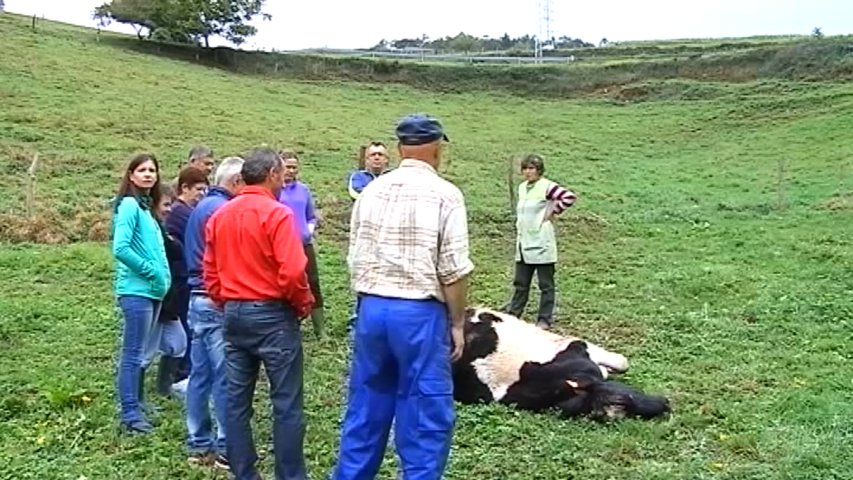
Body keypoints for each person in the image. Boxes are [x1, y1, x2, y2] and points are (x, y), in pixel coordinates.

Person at [331, 114, 474, 480]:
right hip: (419, 314)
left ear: (399, 149)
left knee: (365, 405)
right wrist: (457, 323)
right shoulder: (446, 195)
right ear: (438, 149)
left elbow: (355, 255)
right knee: (425, 412)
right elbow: (454, 270)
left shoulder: (371, 191)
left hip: (372, 308)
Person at [203, 147, 315, 480]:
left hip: (235, 314)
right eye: (282, 174)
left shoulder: (220, 215)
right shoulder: (277, 214)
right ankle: (290, 475)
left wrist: (227, 301)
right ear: (271, 175)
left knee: (236, 403)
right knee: (286, 404)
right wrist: (302, 303)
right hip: (274, 315)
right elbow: (294, 271)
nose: (285, 180)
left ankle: (244, 474)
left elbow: (210, 271)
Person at [183, 156, 246, 470]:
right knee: (225, 377)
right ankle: (225, 446)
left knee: (200, 374)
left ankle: (197, 442)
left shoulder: (201, 207)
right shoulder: (223, 210)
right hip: (214, 299)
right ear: (235, 182)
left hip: (195, 298)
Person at [111, 153, 171, 435]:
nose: (148, 174)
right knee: (132, 354)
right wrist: (151, 271)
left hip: (153, 291)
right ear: (131, 175)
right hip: (137, 291)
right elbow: (121, 248)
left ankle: (138, 403)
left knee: (143, 352)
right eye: (142, 170)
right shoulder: (129, 206)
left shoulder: (146, 208)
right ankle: (130, 414)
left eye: (152, 170)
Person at [505, 154, 577, 330]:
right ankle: (514, 314)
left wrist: (553, 211)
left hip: (541, 240)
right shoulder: (522, 188)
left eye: (532, 168)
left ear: (539, 170)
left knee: (546, 284)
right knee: (521, 283)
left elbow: (568, 197)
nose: (528, 172)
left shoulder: (546, 186)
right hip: (524, 242)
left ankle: (544, 319)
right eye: (526, 168)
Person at [165, 165, 210, 389]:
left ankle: (180, 372)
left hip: (184, 276)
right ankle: (182, 373)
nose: (202, 194)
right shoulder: (181, 213)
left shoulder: (187, 211)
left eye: (204, 190)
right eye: (199, 189)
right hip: (181, 279)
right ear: (185, 188)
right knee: (185, 326)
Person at [145, 183, 189, 399]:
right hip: (154, 298)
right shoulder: (150, 230)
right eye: (166, 204)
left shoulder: (161, 228)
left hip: (169, 300)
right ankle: (135, 400)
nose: (169, 209)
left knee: (178, 343)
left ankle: (164, 388)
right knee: (145, 351)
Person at [277, 150, 326, 340]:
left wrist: (309, 229)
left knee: (313, 282)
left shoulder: (303, 190)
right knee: (287, 284)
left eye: (293, 167)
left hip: (304, 245)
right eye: (287, 167)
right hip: (282, 247)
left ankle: (320, 329)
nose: (290, 171)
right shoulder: (274, 190)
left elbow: (310, 216)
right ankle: (289, 324)